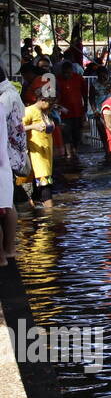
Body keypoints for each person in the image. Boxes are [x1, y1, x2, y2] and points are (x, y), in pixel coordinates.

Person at [0, 66, 25, 261]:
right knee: (8, 203)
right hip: (7, 154)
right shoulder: (9, 93)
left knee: (6, 205)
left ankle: (7, 250)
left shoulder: (4, 99)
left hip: (6, 155)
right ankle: (8, 249)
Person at [23, 92, 57, 207]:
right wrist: (33, 127)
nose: (51, 106)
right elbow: (18, 127)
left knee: (42, 181)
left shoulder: (45, 112)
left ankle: (35, 203)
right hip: (36, 153)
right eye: (50, 103)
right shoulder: (29, 111)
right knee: (45, 183)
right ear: (42, 100)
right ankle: (49, 210)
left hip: (46, 153)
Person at [56, 61, 86, 164]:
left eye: (69, 73)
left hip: (78, 111)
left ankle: (74, 150)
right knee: (66, 133)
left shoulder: (78, 78)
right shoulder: (57, 80)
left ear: (72, 71)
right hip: (64, 112)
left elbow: (84, 93)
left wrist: (85, 107)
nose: (67, 75)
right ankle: (68, 153)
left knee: (77, 133)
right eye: (65, 73)